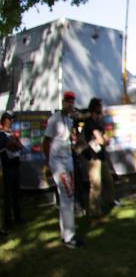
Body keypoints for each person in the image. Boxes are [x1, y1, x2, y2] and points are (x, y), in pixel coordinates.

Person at [43, 91, 82, 247]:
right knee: (67, 196)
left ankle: (66, 233)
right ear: (63, 102)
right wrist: (48, 163)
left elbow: (72, 139)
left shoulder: (69, 120)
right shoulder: (54, 120)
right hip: (58, 162)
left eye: (72, 101)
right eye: (67, 101)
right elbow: (45, 142)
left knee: (68, 197)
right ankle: (69, 237)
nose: (70, 104)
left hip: (68, 160)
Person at [81, 98, 115, 221]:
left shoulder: (98, 122)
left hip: (101, 157)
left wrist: (104, 140)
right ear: (95, 108)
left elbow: (104, 138)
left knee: (109, 180)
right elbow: (101, 139)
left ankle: (110, 201)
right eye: (99, 106)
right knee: (96, 185)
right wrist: (103, 140)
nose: (101, 109)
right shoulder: (90, 123)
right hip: (92, 159)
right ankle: (94, 211)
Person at [0, 112, 24, 231]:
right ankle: (8, 221)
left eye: (12, 119)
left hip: (16, 166)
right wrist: (14, 141)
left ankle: (18, 218)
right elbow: (9, 145)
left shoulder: (12, 134)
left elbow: (20, 147)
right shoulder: (1, 134)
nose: (11, 121)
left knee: (16, 194)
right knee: (8, 196)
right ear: (4, 120)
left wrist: (15, 141)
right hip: (8, 168)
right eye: (10, 119)